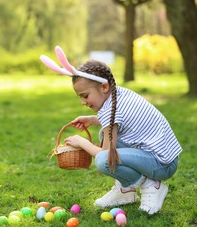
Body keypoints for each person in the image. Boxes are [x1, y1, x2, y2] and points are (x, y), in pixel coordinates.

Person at [63, 60, 182, 215]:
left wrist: (82, 142)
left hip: (161, 165)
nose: (83, 102)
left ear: (104, 87)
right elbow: (120, 121)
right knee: (103, 134)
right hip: (165, 158)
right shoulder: (118, 94)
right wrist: (92, 120)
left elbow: (105, 155)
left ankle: (151, 186)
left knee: (103, 161)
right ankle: (125, 191)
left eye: (85, 96)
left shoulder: (110, 110)